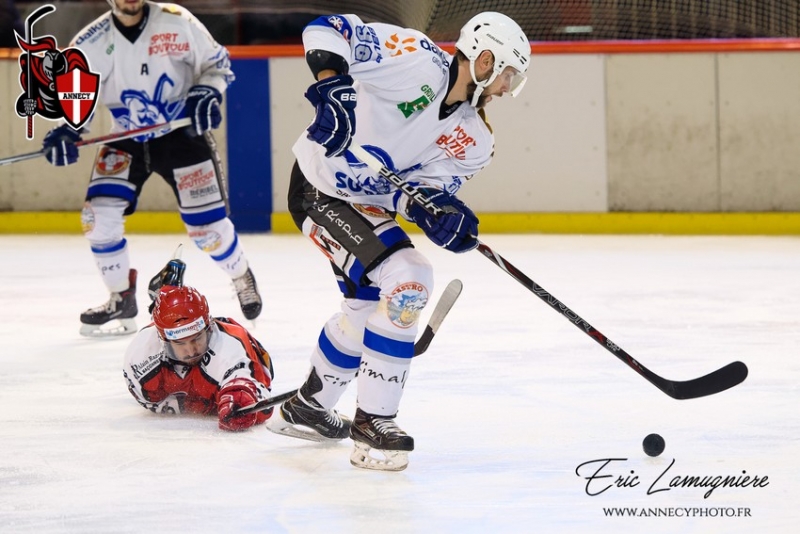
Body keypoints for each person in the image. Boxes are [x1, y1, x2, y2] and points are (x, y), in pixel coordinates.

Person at [272, 12, 531, 470]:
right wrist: (333, 87)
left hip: (365, 205)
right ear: (485, 59)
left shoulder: (475, 141)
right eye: (507, 73)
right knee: (409, 276)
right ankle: (374, 422)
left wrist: (439, 215)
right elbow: (326, 28)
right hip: (319, 187)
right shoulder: (413, 59)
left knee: (365, 311)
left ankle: (308, 410)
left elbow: (414, 196)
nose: (508, 87)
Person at [41, 0, 262, 337]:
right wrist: (66, 129)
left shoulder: (177, 21)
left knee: (209, 231)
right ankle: (121, 297)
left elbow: (217, 64)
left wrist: (206, 91)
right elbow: (73, 95)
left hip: (182, 135)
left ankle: (240, 275)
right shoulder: (90, 42)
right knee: (97, 217)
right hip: (126, 137)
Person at [123, 280, 273, 432]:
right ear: (163, 340)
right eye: (180, 343)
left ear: (209, 328)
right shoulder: (142, 354)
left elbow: (260, 401)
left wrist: (242, 399)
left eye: (196, 338)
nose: (190, 351)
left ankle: (169, 293)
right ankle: (169, 292)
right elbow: (148, 400)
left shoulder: (230, 346)